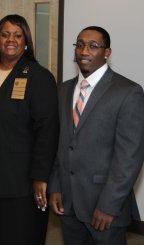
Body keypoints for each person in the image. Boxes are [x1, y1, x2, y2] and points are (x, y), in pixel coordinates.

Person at [0, 14, 59, 245]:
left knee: (19, 235)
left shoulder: (39, 76)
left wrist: (40, 176)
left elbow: (47, 131)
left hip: (20, 178)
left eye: (18, 35)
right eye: (5, 34)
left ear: (26, 41)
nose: (11, 39)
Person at [49, 26, 144, 245]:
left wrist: (109, 205)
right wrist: (56, 186)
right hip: (68, 202)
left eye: (93, 46)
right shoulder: (63, 90)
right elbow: (60, 144)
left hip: (103, 207)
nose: (84, 51)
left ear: (107, 52)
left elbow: (129, 158)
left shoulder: (128, 92)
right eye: (80, 45)